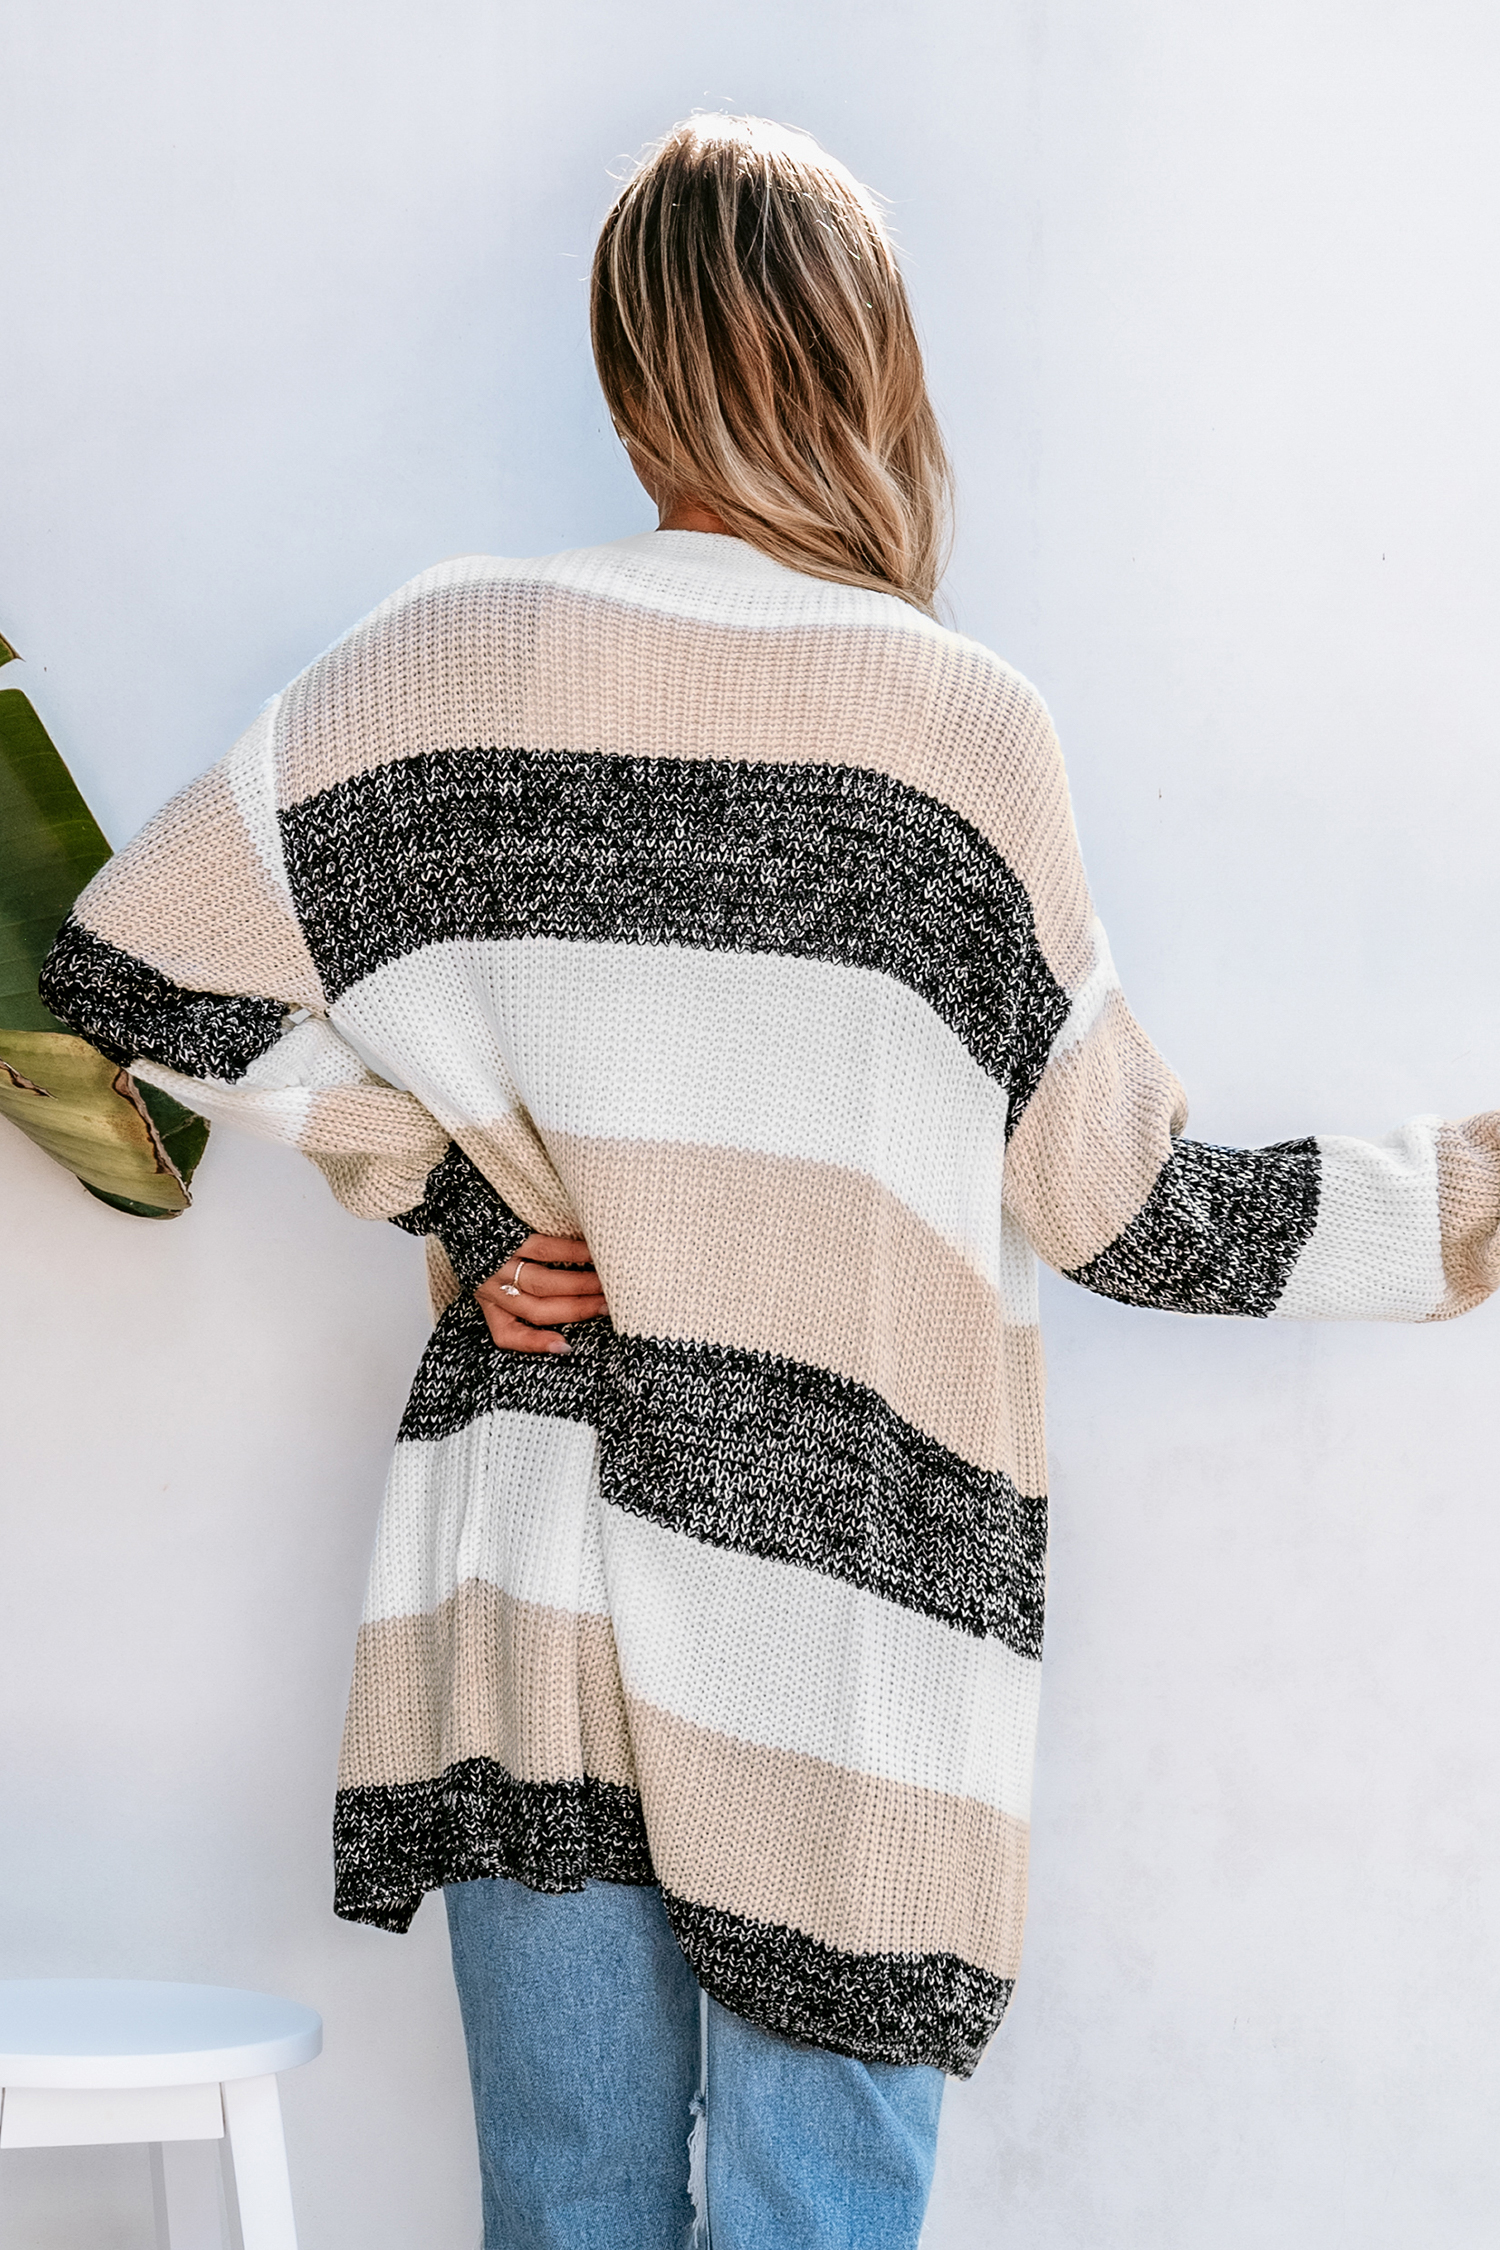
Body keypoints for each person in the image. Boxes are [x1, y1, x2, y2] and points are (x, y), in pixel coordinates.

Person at [38, 112, 1499, 2250]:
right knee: (818, 2222)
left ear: (630, 364)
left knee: (571, 2212)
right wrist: (1469, 1194)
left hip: (536, 1572)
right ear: (871, 363)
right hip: (847, 1619)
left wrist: (449, 1198)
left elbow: (126, 965)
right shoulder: (954, 737)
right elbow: (1134, 1208)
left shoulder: (457, 661)